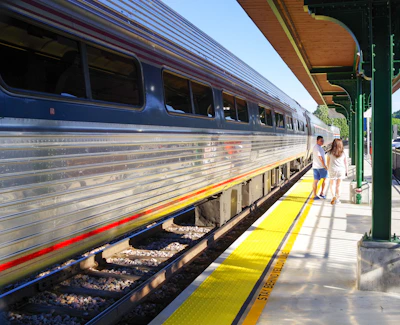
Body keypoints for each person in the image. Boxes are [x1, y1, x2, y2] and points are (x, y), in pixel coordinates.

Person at [327, 139, 348, 204]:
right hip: (341, 170)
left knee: (332, 184)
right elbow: (345, 163)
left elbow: (328, 162)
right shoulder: (343, 153)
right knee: (338, 185)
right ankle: (338, 199)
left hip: (332, 169)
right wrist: (346, 170)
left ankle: (333, 196)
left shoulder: (329, 153)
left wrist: (328, 169)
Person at [312, 136, 328, 200]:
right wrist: (324, 165)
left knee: (316, 180)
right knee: (324, 179)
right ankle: (321, 193)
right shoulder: (317, 148)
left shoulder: (319, 147)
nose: (322, 142)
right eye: (321, 140)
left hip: (315, 167)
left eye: (323, 140)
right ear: (317, 141)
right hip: (320, 167)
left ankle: (316, 194)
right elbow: (320, 157)